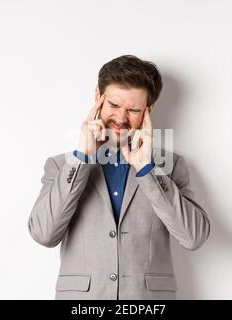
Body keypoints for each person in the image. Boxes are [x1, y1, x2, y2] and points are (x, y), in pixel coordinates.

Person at [28, 54, 210, 299]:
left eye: (133, 109)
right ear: (97, 97)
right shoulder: (60, 165)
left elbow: (193, 237)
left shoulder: (170, 166)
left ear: (148, 110)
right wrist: (82, 158)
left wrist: (148, 170)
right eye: (113, 105)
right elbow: (43, 234)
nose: (121, 118)